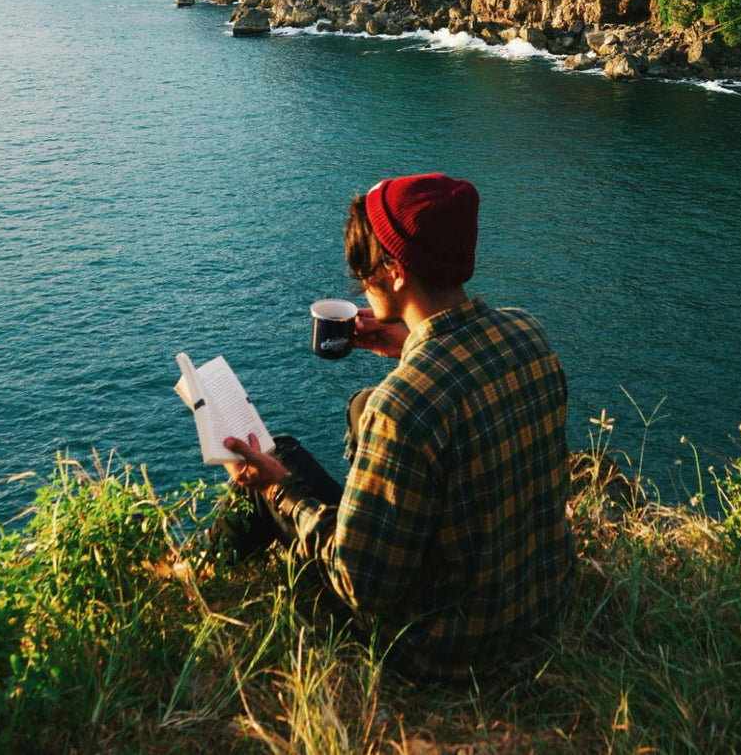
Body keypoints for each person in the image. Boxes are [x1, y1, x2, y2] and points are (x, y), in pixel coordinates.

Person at [219, 172, 575, 680]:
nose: (360, 281)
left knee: (278, 465)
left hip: (447, 648)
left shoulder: (402, 406)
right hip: (541, 604)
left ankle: (206, 576)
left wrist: (279, 492)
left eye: (364, 268)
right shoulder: (527, 331)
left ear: (396, 272)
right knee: (335, 424)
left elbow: (358, 584)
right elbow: (457, 387)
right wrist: (408, 344)